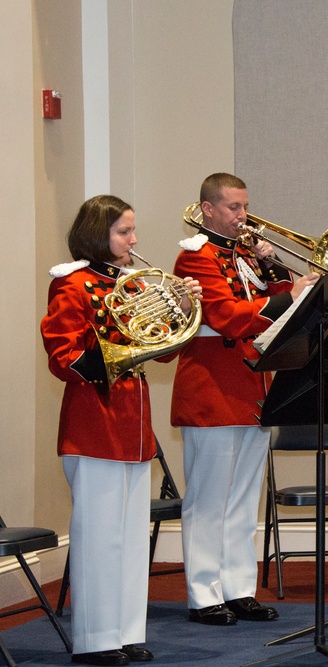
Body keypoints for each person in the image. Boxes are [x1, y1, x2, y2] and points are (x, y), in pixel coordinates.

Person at [41, 195, 200, 665]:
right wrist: (115, 348)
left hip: (133, 424)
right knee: (99, 538)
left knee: (130, 538)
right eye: (124, 232)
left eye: (132, 231)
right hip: (93, 423)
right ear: (97, 235)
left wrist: (180, 308)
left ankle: (127, 630)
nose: (133, 240)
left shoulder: (128, 284)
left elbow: (164, 351)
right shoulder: (73, 285)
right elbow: (62, 354)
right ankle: (95, 640)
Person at [171, 173, 319, 625]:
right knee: (209, 499)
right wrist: (282, 299)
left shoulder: (242, 254)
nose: (242, 216)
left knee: (243, 497)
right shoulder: (195, 258)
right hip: (212, 388)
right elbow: (226, 317)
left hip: (252, 386)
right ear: (208, 209)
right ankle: (203, 593)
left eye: (245, 206)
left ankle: (237, 587)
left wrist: (280, 277)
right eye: (234, 207)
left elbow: (274, 311)